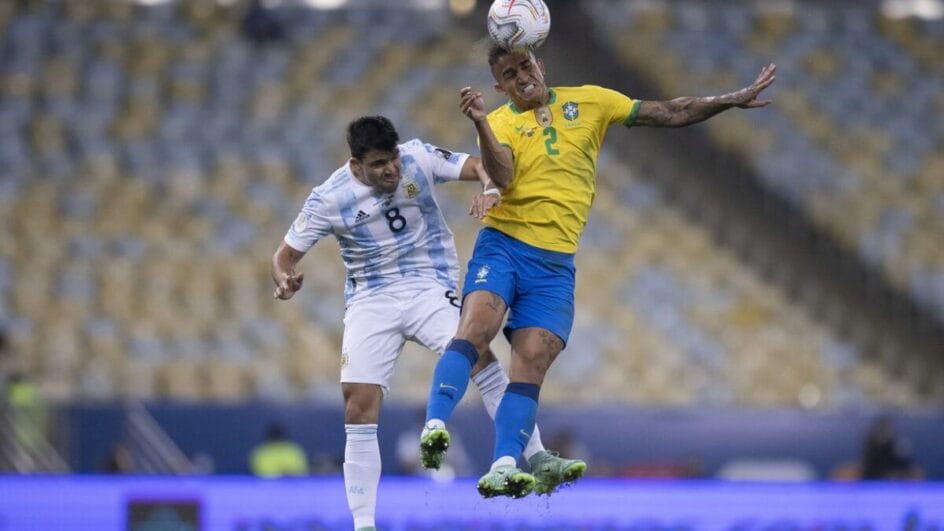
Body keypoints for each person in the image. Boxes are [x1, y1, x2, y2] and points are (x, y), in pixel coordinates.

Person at [420, 43, 777, 499]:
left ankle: (505, 464)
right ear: (500, 86)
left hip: (555, 265)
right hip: (505, 247)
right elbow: (504, 178)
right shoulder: (502, 122)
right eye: (509, 74)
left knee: (531, 362)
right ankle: (434, 425)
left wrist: (727, 100)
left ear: (540, 63)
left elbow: (669, 111)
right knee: (477, 328)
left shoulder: (590, 101)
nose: (521, 77)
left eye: (525, 65)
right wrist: (480, 121)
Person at [270, 116, 572, 530]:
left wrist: (488, 186)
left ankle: (534, 456)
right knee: (358, 405)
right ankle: (363, 524)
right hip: (371, 299)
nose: (391, 169)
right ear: (356, 166)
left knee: (480, 356)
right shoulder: (328, 198)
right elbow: (283, 256)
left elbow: (479, 164)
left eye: (392, 158)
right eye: (378, 163)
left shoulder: (418, 157)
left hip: (428, 285)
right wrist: (285, 277)